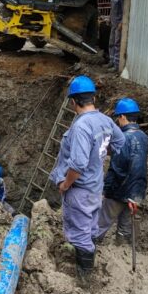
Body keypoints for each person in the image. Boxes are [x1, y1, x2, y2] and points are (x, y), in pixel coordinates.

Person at [49, 75, 125, 278]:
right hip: (95, 187)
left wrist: (65, 184)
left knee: (80, 235)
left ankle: (85, 279)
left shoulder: (82, 126)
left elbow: (78, 165)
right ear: (93, 98)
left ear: (73, 102)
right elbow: (120, 142)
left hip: (80, 190)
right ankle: (87, 268)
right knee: (90, 227)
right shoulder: (105, 120)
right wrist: (99, 151)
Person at [93, 98, 148, 244]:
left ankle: (89, 249)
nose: (118, 121)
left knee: (101, 223)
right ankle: (120, 249)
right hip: (137, 191)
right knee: (124, 226)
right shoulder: (143, 137)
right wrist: (135, 195)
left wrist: (105, 190)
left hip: (119, 190)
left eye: (118, 117)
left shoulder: (122, 139)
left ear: (123, 116)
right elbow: (138, 164)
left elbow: (116, 169)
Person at [107, 0, 124, 71]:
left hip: (118, 25)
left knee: (117, 44)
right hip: (113, 24)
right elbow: (112, 9)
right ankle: (111, 61)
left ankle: (116, 66)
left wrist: (122, 22)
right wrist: (109, 19)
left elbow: (124, 10)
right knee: (111, 43)